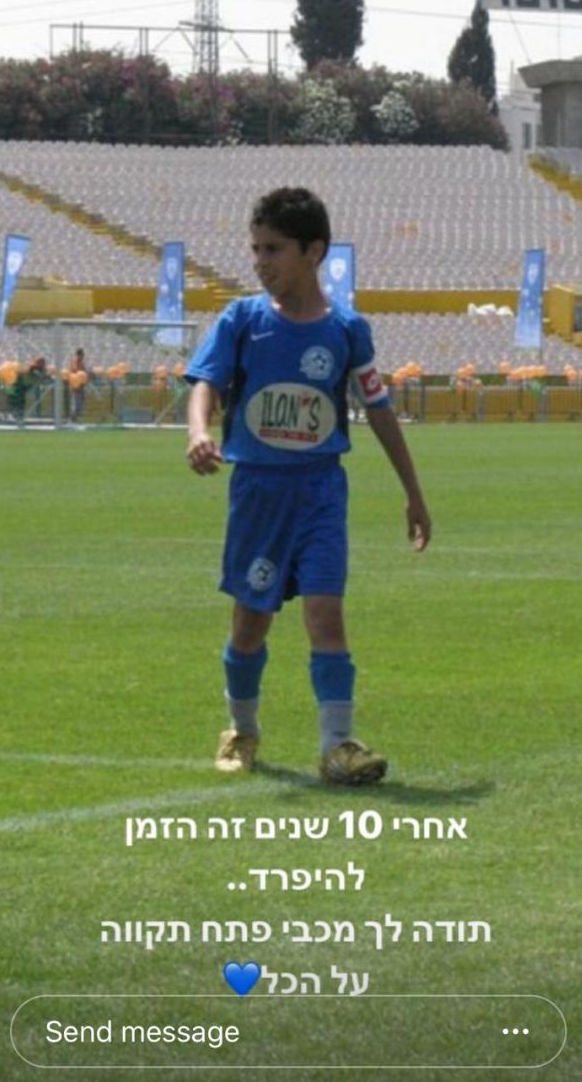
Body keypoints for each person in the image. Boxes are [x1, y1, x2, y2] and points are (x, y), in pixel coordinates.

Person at [185, 187, 431, 785]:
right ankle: (241, 729)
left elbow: (379, 410)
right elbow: (206, 383)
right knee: (250, 623)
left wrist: (413, 492)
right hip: (259, 494)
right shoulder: (242, 321)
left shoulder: (346, 331)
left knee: (326, 616)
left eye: (273, 249)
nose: (260, 261)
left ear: (313, 252)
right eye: (255, 249)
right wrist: (198, 431)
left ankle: (337, 746)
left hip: (321, 492)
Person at [7, 356, 48, 422]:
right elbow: (35, 373)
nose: (42, 364)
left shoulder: (37, 369)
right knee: (17, 398)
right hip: (18, 385)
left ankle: (18, 414)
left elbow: (41, 376)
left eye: (42, 363)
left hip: (21, 386)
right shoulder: (32, 368)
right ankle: (17, 414)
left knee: (19, 399)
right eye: (40, 363)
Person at [68, 347, 90, 422]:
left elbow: (84, 371)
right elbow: (75, 371)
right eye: (81, 355)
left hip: (81, 384)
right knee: (76, 401)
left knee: (80, 401)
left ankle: (76, 417)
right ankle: (73, 418)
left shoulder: (81, 362)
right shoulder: (75, 362)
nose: (82, 356)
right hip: (76, 385)